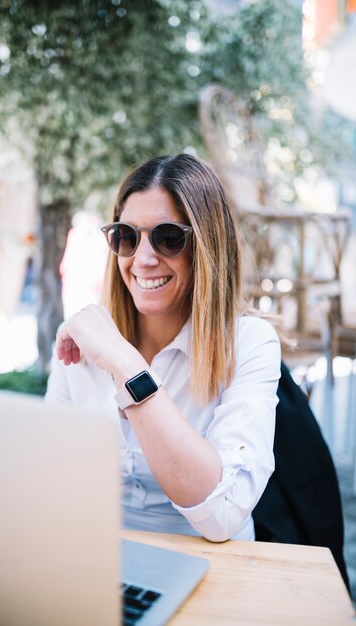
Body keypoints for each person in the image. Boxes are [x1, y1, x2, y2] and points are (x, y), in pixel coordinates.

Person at [45, 153, 281, 542]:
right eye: (126, 236)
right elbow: (48, 484)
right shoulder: (83, 339)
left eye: (168, 238)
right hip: (98, 565)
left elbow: (223, 515)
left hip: (216, 569)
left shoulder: (251, 343)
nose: (143, 259)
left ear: (207, 248)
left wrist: (128, 367)